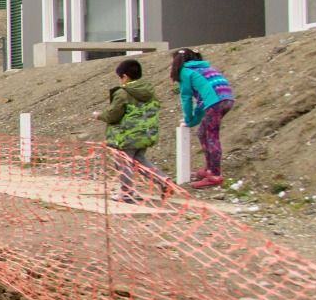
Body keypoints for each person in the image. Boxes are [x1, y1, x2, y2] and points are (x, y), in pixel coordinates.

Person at [93, 58, 167, 203]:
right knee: (139, 161)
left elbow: (113, 114)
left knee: (122, 162)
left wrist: (99, 115)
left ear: (125, 77)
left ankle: (127, 192)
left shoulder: (123, 93)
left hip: (127, 136)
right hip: (146, 133)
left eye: (120, 78)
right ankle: (164, 181)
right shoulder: (149, 91)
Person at [170, 48, 234, 189]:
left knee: (211, 136)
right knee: (202, 133)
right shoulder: (204, 69)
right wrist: (193, 121)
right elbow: (202, 101)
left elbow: (186, 98)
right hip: (226, 98)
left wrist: (188, 119)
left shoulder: (185, 72)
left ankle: (215, 175)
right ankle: (209, 169)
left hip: (215, 102)